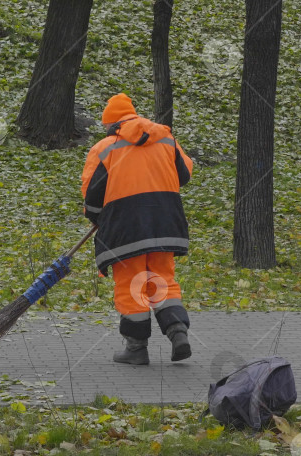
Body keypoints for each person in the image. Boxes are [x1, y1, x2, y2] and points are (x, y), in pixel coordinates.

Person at [81, 93, 194, 365]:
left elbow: (92, 196)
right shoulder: (166, 139)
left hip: (125, 228)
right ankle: (178, 332)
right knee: (162, 280)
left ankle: (136, 348)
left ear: (112, 124)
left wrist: (97, 218)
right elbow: (185, 174)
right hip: (165, 222)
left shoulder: (105, 149)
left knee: (133, 285)